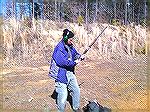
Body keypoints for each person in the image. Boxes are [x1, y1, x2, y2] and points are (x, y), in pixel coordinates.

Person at [49, 29, 84, 112]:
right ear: (65, 38)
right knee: (63, 94)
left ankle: (76, 108)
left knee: (76, 90)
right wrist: (75, 62)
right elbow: (64, 63)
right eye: (70, 39)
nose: (72, 41)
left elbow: (75, 54)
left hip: (69, 72)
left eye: (72, 39)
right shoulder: (59, 48)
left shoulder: (70, 45)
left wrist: (80, 56)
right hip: (60, 73)